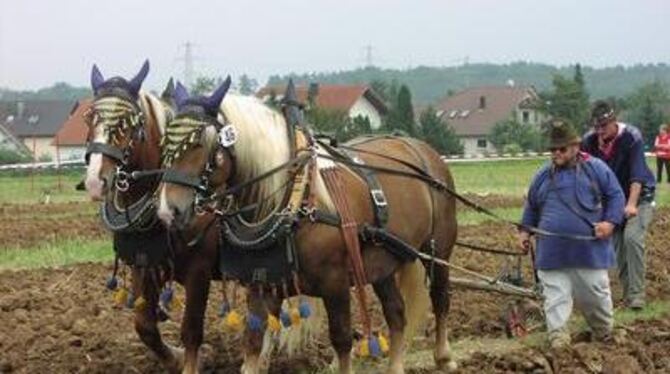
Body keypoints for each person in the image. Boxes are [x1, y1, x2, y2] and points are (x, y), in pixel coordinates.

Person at [518, 120, 625, 349]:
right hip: (552, 254)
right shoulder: (542, 176)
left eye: (562, 149)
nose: (556, 153)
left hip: (589, 252)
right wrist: (524, 232)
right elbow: (531, 207)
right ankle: (558, 338)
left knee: (596, 296)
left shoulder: (596, 169)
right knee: (555, 298)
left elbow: (616, 196)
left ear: (576, 147)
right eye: (552, 149)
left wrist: (610, 223)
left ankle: (604, 333)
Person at [582, 100, 656, 310]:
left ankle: (637, 295)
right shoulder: (589, 142)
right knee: (617, 248)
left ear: (614, 122)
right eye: (596, 127)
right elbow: (580, 168)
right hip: (612, 201)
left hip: (639, 196)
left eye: (603, 126)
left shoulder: (631, 137)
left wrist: (631, 205)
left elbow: (637, 175)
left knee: (632, 239)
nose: (600, 131)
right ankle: (627, 296)